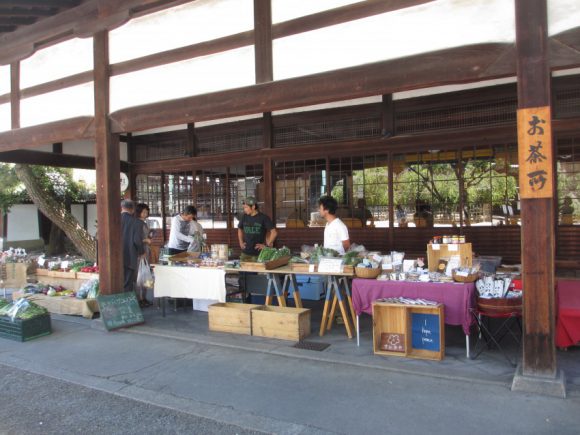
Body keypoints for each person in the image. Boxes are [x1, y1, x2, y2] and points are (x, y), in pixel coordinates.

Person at [121, 199, 145, 293]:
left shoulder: (112, 219)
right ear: (133, 209)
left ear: (122, 207)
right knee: (127, 282)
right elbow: (137, 241)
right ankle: (126, 305)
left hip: (113, 257)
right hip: (130, 256)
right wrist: (141, 252)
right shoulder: (137, 223)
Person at [135, 203, 153, 307]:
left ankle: (144, 297)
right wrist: (146, 240)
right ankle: (139, 298)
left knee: (146, 275)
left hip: (146, 250)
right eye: (143, 211)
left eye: (146, 211)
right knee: (139, 275)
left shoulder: (144, 223)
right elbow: (136, 239)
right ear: (139, 212)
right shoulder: (137, 223)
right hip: (140, 252)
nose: (145, 213)